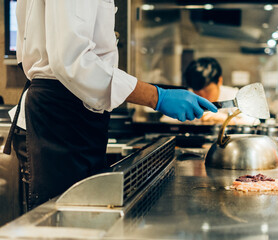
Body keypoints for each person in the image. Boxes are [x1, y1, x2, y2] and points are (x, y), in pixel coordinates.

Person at [5, 1, 217, 211]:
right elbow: (73, 62)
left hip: (74, 116)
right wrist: (157, 96)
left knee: (85, 216)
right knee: (63, 222)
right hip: (58, 119)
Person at [183, 57, 260, 125]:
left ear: (219, 81)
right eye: (197, 92)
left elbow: (254, 122)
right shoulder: (188, 96)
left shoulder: (234, 96)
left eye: (207, 91)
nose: (203, 97)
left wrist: (224, 119)